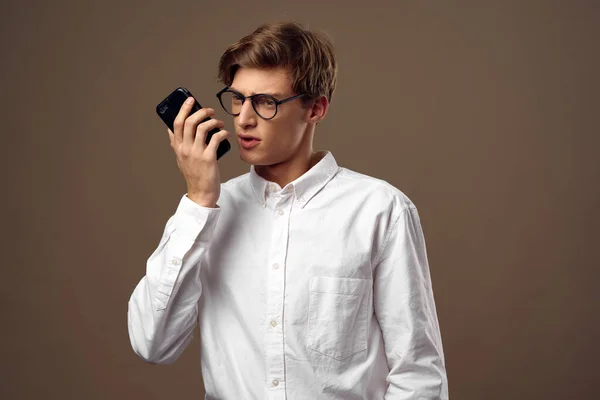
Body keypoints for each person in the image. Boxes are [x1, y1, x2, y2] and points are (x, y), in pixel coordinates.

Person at [127, 20, 449, 400]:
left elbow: (418, 373)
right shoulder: (207, 213)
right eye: (237, 98)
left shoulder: (380, 210)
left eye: (266, 102)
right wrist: (198, 200)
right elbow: (152, 343)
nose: (244, 118)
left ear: (316, 109)